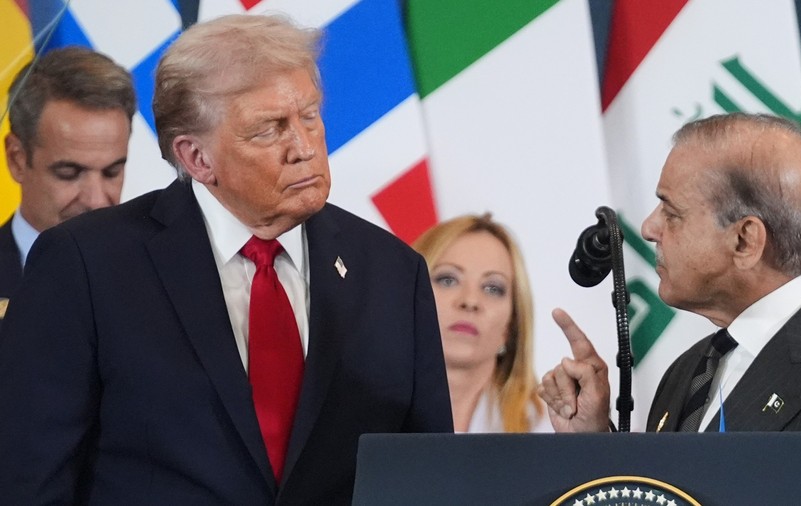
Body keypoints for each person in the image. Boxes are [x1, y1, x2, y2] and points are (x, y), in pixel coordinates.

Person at [0, 14, 452, 505]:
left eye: (309, 115)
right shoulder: (87, 265)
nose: (303, 147)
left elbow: (427, 480)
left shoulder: (393, 273)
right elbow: (32, 481)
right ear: (196, 157)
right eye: (269, 129)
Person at [540, 112, 801, 433]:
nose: (648, 228)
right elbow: (677, 490)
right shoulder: (687, 372)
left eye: (671, 213)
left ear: (744, 241)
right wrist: (594, 441)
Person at [0, 46, 135, 302]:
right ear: (16, 159)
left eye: (112, 172)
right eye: (69, 173)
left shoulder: (167, 281)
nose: (96, 200)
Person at [413, 214, 551, 433]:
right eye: (447, 280)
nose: (470, 301)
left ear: (512, 325)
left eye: (492, 288)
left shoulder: (548, 429)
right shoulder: (356, 410)